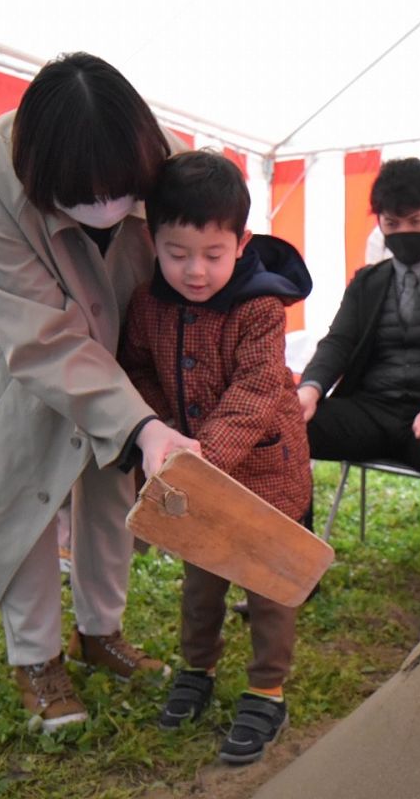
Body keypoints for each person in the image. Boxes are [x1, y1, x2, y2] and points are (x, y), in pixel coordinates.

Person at [0, 53, 200, 732]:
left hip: (119, 329)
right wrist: (140, 423)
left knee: (114, 473)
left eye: (120, 193)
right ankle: (36, 657)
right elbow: (41, 339)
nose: (107, 209)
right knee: (26, 486)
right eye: (85, 196)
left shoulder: (163, 158)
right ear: (41, 176)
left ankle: (101, 633)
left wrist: (144, 418)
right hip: (10, 332)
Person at [119, 150, 313, 765]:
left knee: (270, 584)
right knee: (201, 576)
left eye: (212, 255)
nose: (194, 272)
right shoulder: (148, 305)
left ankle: (266, 689)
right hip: (195, 472)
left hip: (268, 474)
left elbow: (258, 388)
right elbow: (140, 369)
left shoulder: (260, 309)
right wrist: (160, 430)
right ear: (154, 240)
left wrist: (207, 454)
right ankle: (196, 669)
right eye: (177, 254)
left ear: (242, 242)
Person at [297, 158, 420, 635]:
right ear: (380, 222)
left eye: (416, 222)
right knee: (287, 430)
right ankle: (295, 571)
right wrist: (309, 388)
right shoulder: (367, 281)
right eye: (393, 223)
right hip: (372, 408)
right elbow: (338, 341)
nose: (404, 232)